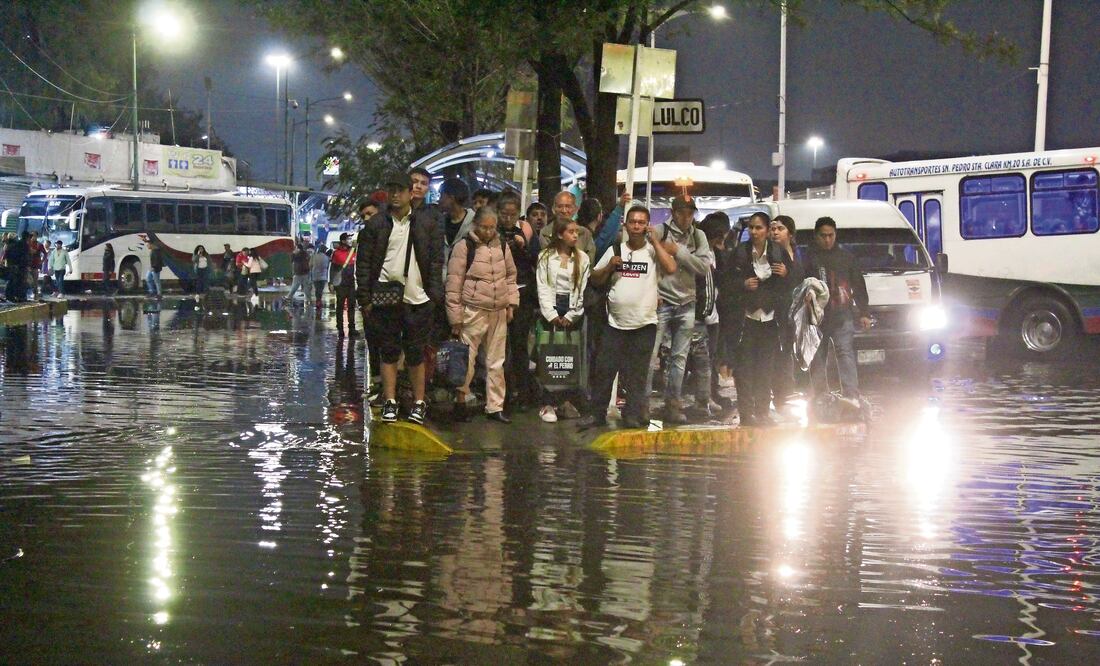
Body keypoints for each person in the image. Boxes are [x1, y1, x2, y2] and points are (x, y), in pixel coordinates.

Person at [355, 174, 444, 424]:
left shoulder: (426, 222)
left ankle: (418, 402)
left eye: (400, 190)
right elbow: (363, 264)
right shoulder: (377, 224)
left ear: (410, 193)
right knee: (389, 351)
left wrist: (434, 294)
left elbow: (437, 259)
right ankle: (390, 400)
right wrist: (365, 299)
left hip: (419, 298)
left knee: (416, 353)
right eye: (391, 190)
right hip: (385, 299)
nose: (395, 195)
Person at [582, 206, 678, 429]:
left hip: (644, 323)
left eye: (641, 222)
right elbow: (594, 278)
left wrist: (655, 242)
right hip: (615, 324)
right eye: (633, 222)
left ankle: (632, 414)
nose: (636, 226)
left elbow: (671, 267)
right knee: (604, 369)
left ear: (647, 226)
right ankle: (597, 413)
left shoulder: (653, 251)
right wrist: (609, 267)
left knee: (637, 373)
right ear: (625, 224)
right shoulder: (616, 248)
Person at [446, 205, 519, 423]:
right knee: (466, 359)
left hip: (498, 311)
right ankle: (461, 400)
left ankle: (495, 406)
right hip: (473, 310)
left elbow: (510, 276)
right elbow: (453, 283)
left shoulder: (502, 245)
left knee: (497, 361)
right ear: (475, 225)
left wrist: (511, 304)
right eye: (484, 227)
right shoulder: (464, 247)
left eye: (491, 227)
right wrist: (455, 318)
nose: (488, 231)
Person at [646, 195, 715, 425]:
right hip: (662, 302)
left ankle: (672, 404)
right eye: (682, 212)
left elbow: (703, 267)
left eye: (690, 212)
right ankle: (642, 404)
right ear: (673, 213)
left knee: (679, 358)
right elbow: (648, 264)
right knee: (650, 355)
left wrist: (678, 251)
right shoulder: (659, 231)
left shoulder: (698, 235)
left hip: (687, 302)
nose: (687, 217)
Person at [802, 216, 871, 409]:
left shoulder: (846, 258)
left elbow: (858, 285)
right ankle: (820, 395)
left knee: (845, 353)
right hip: (817, 318)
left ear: (836, 235)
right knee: (818, 356)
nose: (827, 240)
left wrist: (864, 312)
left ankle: (850, 394)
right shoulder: (809, 259)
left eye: (831, 235)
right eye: (823, 236)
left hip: (842, 315)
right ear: (816, 236)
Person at [733, 212, 794, 427]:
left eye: (759, 228)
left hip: (770, 320)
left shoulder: (778, 252)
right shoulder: (740, 252)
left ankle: (762, 411)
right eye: (751, 227)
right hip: (746, 319)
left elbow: (793, 284)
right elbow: (727, 281)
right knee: (745, 369)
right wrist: (742, 284)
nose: (754, 232)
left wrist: (786, 273)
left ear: (768, 230)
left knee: (765, 368)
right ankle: (746, 413)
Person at [535, 216, 590, 422]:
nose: (575, 235)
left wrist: (571, 314)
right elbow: (543, 286)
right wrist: (551, 314)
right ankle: (548, 402)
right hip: (552, 309)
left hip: (573, 311)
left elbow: (581, 289)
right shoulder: (546, 257)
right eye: (571, 232)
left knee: (570, 357)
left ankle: (566, 401)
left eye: (577, 232)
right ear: (560, 234)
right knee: (550, 356)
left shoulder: (582, 258)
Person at [496, 190, 539, 409]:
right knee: (497, 349)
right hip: (496, 294)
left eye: (512, 215)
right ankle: (499, 396)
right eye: (504, 214)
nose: (508, 219)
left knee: (520, 346)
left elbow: (535, 260)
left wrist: (523, 246)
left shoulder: (524, 232)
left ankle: (522, 393)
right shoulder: (491, 232)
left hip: (521, 293)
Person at [769, 215, 804, 408]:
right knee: (778, 352)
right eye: (773, 228)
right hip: (778, 311)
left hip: (794, 311)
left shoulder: (795, 253)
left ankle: (787, 389)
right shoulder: (774, 253)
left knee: (788, 351)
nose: (775, 232)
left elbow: (799, 277)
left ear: (790, 233)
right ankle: (780, 393)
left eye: (780, 228)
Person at [539, 191, 597, 263]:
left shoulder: (584, 233)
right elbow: (546, 262)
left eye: (568, 206)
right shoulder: (545, 233)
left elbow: (589, 264)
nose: (564, 210)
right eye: (560, 206)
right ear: (553, 209)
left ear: (575, 209)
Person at [439, 177, 475, 264]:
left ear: (451, 198)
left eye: (441, 195)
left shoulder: (474, 222)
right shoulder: (439, 221)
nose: (439, 200)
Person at [329, 234, 358, 336]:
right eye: (348, 239)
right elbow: (332, 269)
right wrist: (331, 282)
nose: (350, 240)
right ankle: (340, 328)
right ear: (343, 241)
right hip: (340, 284)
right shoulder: (336, 253)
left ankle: (352, 328)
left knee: (351, 306)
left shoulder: (354, 251)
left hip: (351, 284)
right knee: (340, 307)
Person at [4, 232, 29, 302]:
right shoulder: (14, 246)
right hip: (14, 266)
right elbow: (16, 256)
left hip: (10, 265)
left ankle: (10, 296)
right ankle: (11, 296)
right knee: (13, 281)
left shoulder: (9, 245)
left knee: (12, 281)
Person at [286, 241, 312, 306]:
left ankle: (288, 297)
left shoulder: (297, 254)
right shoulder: (306, 254)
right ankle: (309, 299)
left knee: (295, 286)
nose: (295, 249)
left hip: (298, 272)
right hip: (305, 272)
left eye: (296, 248)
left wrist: (293, 253)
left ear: (298, 248)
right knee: (306, 286)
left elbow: (291, 260)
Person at [310, 241, 330, 311]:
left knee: (316, 289)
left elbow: (310, 265)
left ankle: (318, 300)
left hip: (315, 275)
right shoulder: (327, 257)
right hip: (323, 276)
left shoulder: (314, 256)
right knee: (320, 289)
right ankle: (319, 300)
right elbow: (327, 266)